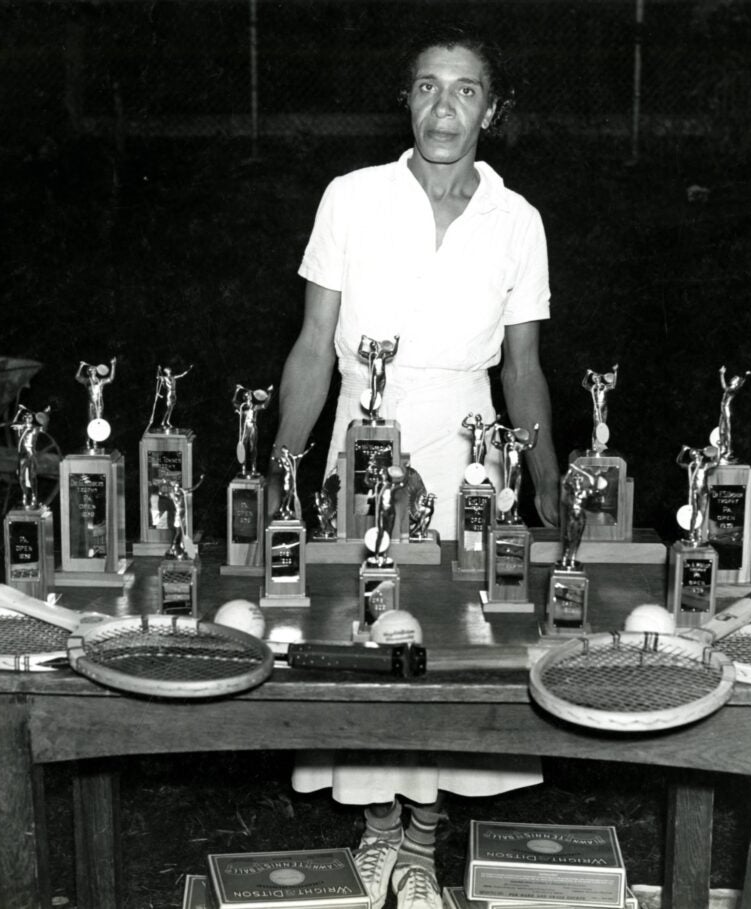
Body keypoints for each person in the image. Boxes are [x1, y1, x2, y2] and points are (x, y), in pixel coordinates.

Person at [268, 24, 559, 909]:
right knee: (367, 636)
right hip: (362, 443)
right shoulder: (350, 197)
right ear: (408, 100)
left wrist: (547, 482)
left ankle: (425, 841)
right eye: (428, 86)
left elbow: (523, 368)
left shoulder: (519, 219)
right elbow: (315, 346)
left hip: (467, 450)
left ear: (492, 110)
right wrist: (281, 465)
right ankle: (378, 832)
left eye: (465, 89)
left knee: (451, 644)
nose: (444, 106)